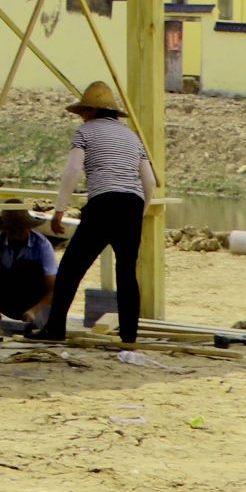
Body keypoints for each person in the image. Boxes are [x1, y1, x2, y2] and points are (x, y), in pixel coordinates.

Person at [26, 80, 158, 344]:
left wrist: (59, 210)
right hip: (132, 204)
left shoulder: (85, 132)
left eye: (83, 110)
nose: (81, 116)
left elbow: (73, 170)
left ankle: (55, 329)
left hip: (103, 202)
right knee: (127, 273)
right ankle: (129, 337)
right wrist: (138, 212)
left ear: (92, 110)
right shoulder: (132, 137)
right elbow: (150, 181)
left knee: (71, 268)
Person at [0, 206, 55, 333]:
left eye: (20, 230)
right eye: (12, 230)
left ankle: (35, 318)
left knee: (28, 268)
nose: (17, 235)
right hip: (6, 293)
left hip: (30, 297)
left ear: (28, 227)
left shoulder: (42, 245)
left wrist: (34, 311)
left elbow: (53, 289)